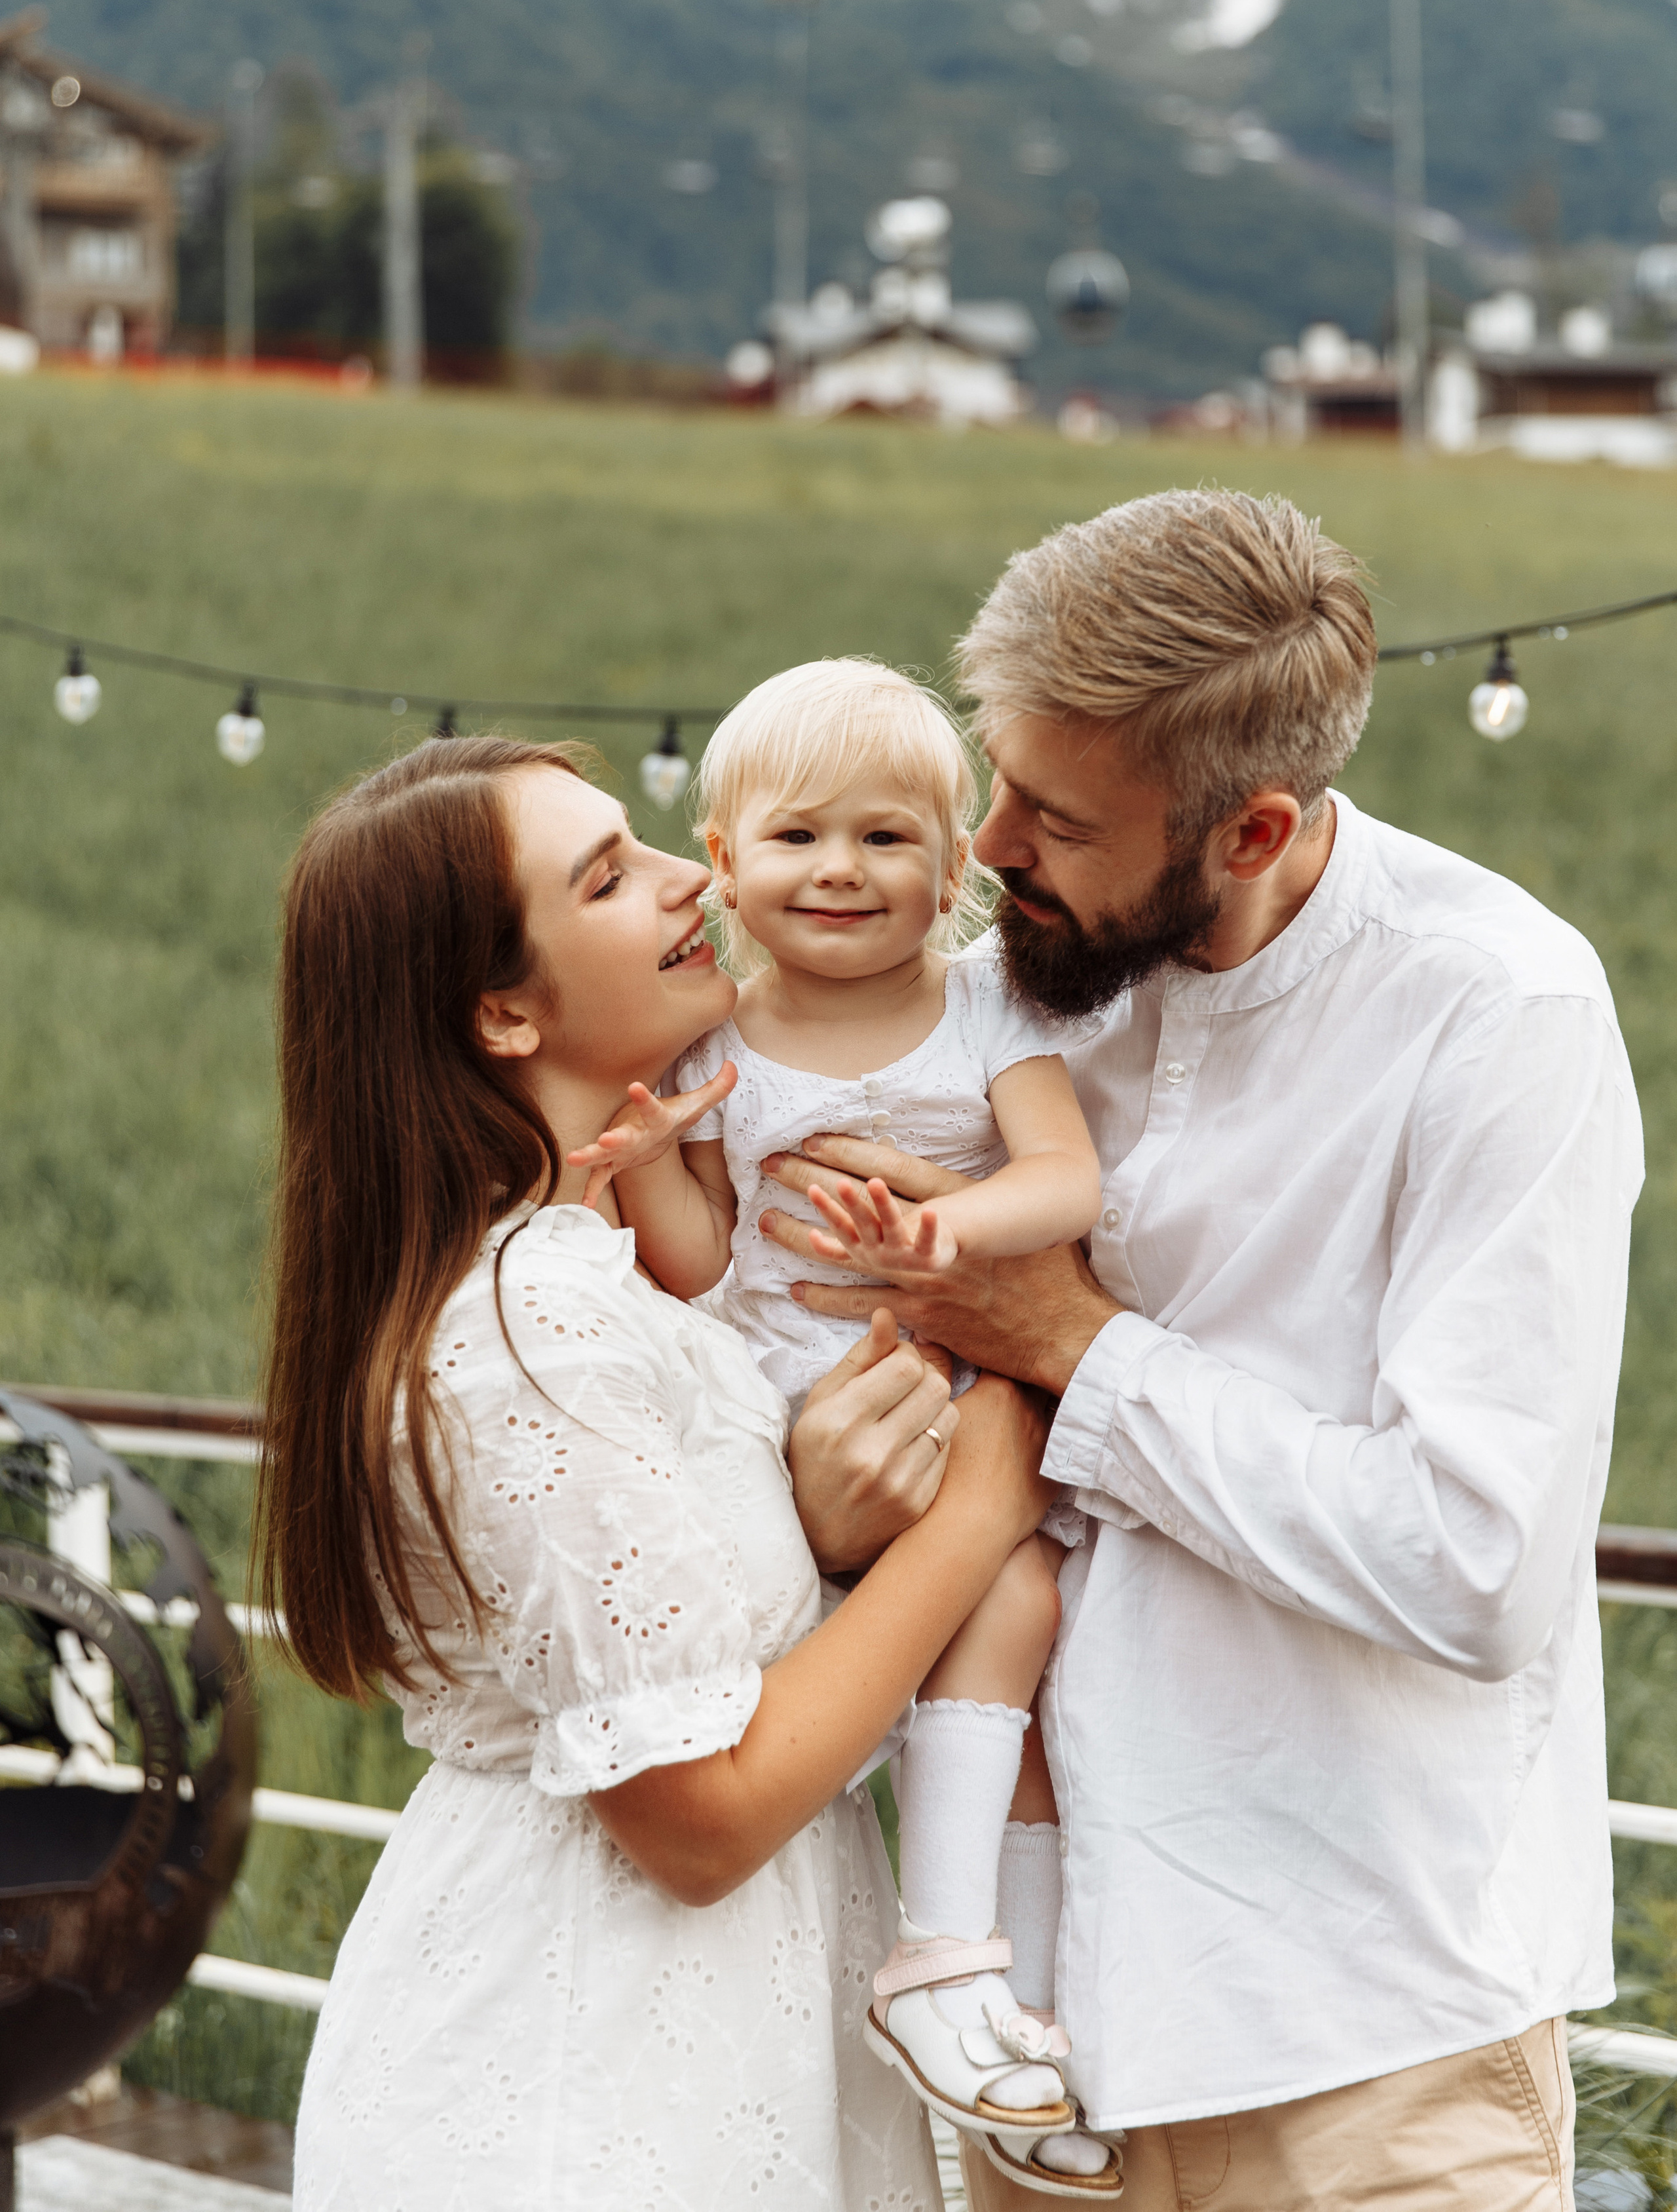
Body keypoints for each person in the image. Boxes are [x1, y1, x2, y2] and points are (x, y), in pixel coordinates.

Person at [764, 489, 1644, 2210]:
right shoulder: (989, 1002)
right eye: (996, 778)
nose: (987, 845)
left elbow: (1474, 1565)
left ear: (1250, 833)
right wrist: (829, 1482)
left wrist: (1077, 1348)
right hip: (1031, 2039)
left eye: (1056, 818)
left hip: (1367, 2045)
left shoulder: (1499, 1015)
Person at [257, 734, 1057, 2211]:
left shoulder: (601, 1276)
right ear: (504, 1010)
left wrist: (820, 1533)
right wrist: (981, 1507)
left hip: (699, 2042)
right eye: (608, 877)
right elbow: (701, 1819)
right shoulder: (530, 1329)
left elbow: (700, 1656)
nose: (692, 875)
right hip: (585, 2075)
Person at [567, 660, 1118, 2194]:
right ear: (723, 861)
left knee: (1020, 1637)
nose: (840, 869)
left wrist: (949, 1237)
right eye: (798, 836)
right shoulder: (714, 1042)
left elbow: (1061, 1179)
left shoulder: (983, 1008)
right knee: (936, 1653)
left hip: (955, 1393)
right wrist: (643, 1156)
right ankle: (944, 1968)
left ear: (949, 874)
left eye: (885, 839)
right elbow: (697, 1257)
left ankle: (995, 1997)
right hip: (786, 1428)